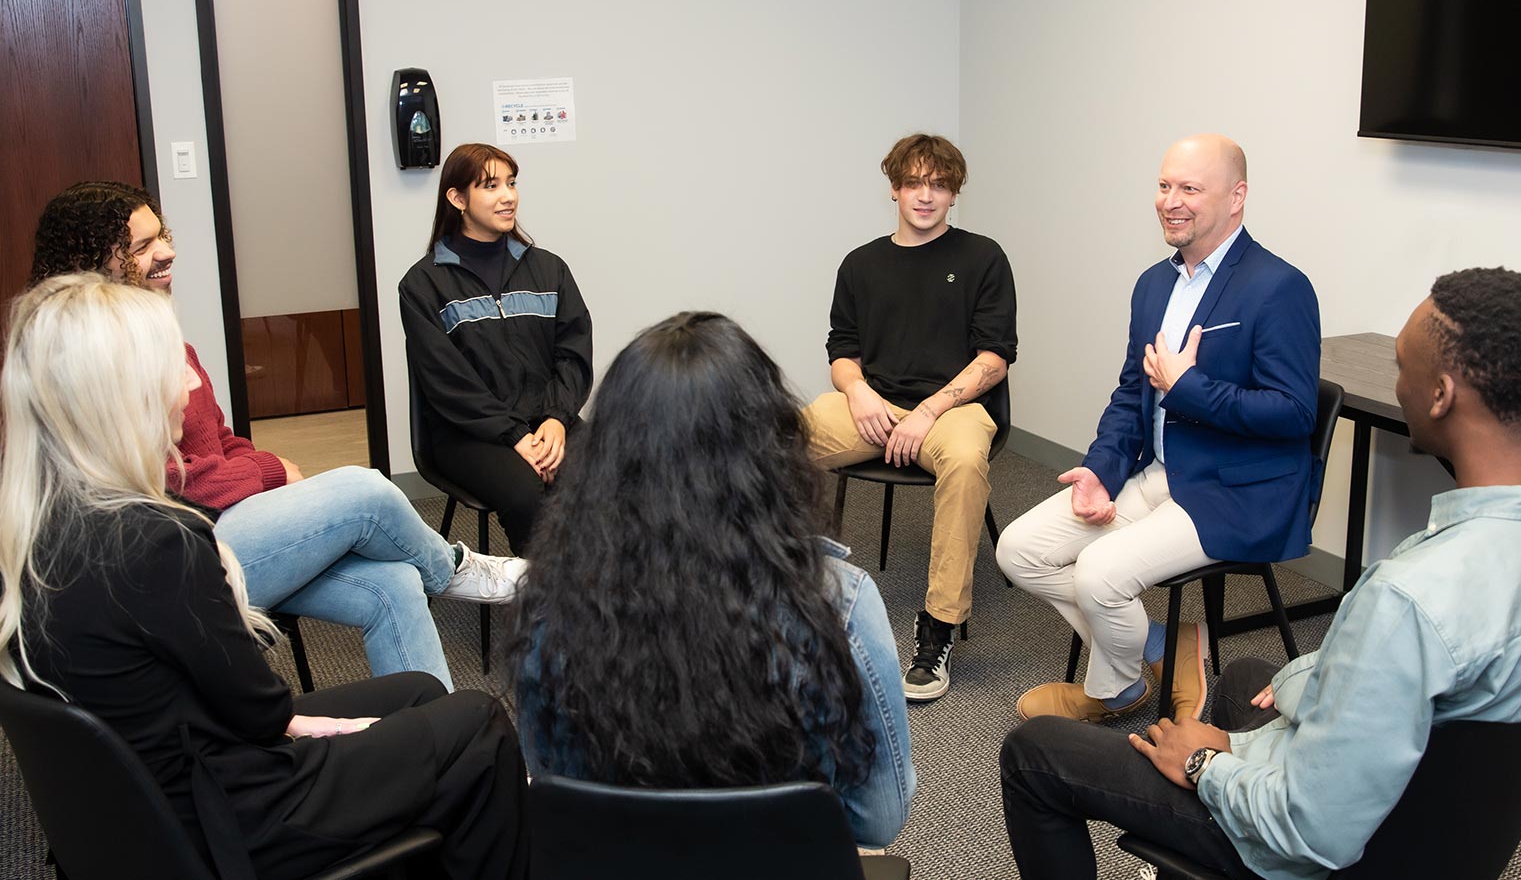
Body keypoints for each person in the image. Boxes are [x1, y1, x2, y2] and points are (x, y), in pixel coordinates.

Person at [1000, 267, 1521, 879]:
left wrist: (1207, 766)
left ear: (1441, 395)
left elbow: (1311, 830)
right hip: (1432, 822)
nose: (1398, 387)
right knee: (1245, 678)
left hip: (1318, 845)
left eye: (1402, 370)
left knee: (1033, 754)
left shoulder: (1407, 599)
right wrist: (1328, 676)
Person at [0, 275, 530, 880]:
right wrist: (304, 722)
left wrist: (302, 721)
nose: (192, 383)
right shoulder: (156, 543)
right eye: (173, 367)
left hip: (154, 795)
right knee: (481, 725)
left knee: (422, 693)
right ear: (123, 393)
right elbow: (256, 711)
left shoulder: (38, 523)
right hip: (229, 810)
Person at [29, 181, 525, 690]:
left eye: (164, 236)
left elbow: (218, 441)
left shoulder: (162, 338)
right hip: (177, 556)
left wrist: (269, 474)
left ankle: (437, 742)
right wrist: (267, 472)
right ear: (93, 264)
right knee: (365, 491)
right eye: (142, 247)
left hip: (232, 529)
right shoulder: (86, 362)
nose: (167, 252)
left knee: (395, 583)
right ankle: (452, 569)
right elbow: (169, 481)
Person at [512, 312, 916, 848]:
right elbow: (878, 817)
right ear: (768, 447)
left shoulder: (552, 602)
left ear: (609, 454)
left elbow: (555, 783)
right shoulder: (840, 603)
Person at [996, 134, 1320, 723]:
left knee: (1098, 574)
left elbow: (1295, 414)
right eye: (1165, 185)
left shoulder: (1279, 287)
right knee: (1019, 551)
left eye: (1190, 188)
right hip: (1161, 473)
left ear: (1237, 196)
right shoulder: (1153, 285)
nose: (1171, 201)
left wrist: (1189, 386)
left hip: (1238, 491)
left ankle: (1116, 689)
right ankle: (1162, 647)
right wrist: (1100, 470)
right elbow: (1130, 394)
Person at [804, 133, 1019, 702]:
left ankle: (939, 629)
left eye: (939, 185)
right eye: (915, 183)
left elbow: (994, 360)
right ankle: (779, 591)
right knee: (776, 444)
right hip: (872, 406)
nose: (926, 196)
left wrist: (929, 408)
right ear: (895, 189)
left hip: (952, 408)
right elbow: (841, 350)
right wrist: (858, 393)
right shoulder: (861, 263)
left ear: (953, 194)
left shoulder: (983, 257)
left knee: (968, 462)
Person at [399, 142, 594, 554]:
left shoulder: (548, 269)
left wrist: (557, 420)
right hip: (469, 434)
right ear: (457, 199)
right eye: (490, 185)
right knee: (528, 494)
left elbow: (573, 354)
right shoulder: (422, 285)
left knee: (619, 474)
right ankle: (548, 610)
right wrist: (514, 436)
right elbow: (446, 383)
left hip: (547, 422)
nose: (508, 196)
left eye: (511, 183)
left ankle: (616, 598)